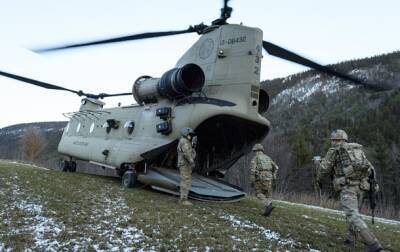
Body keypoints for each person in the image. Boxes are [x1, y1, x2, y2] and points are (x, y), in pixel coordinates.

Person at [314, 129, 383, 252]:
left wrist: (317, 169)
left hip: (347, 187)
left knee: (352, 215)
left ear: (336, 140)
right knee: (354, 213)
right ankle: (351, 238)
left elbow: (324, 170)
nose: (333, 142)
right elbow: (370, 168)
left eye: (334, 140)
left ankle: (373, 243)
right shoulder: (357, 150)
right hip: (361, 187)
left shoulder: (334, 150)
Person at [250, 143, 279, 216]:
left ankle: (268, 205)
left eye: (254, 151)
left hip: (260, 177)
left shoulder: (255, 158)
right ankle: (267, 211)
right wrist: (274, 176)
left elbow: (253, 170)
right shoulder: (268, 158)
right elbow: (276, 167)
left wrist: (252, 180)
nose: (254, 153)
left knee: (258, 193)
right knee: (268, 194)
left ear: (256, 150)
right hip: (269, 177)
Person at [177, 127, 196, 206]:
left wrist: (193, 148)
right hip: (185, 164)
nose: (190, 136)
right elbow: (187, 154)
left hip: (185, 164)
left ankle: (183, 198)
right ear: (185, 134)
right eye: (189, 135)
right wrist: (192, 162)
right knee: (185, 181)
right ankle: (183, 200)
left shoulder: (185, 141)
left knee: (186, 181)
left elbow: (190, 153)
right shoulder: (184, 142)